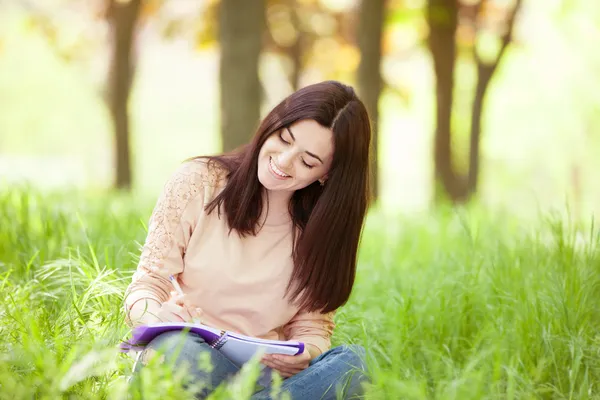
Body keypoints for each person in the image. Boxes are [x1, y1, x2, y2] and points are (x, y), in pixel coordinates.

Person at [123, 80, 372, 399]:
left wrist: (305, 353)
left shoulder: (322, 229)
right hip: (190, 356)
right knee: (175, 350)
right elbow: (147, 284)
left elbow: (313, 329)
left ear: (327, 175)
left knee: (357, 365)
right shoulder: (199, 181)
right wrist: (155, 316)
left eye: (307, 161)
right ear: (272, 124)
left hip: (265, 378)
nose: (283, 161)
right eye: (283, 139)